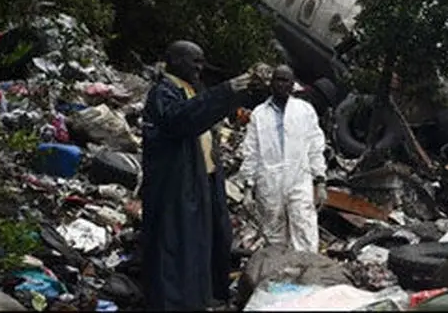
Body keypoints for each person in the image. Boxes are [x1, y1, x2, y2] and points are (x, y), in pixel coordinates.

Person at [140, 41, 262, 311]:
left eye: (201, 61)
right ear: (173, 60)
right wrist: (227, 91)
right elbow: (182, 120)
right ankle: (177, 302)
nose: (199, 67)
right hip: (177, 184)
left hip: (203, 180)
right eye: (193, 61)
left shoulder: (190, 90)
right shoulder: (163, 93)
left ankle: (204, 297)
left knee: (207, 240)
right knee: (178, 245)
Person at [237, 65, 328, 253]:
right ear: (271, 83)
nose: (281, 84)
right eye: (277, 79)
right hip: (269, 181)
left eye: (285, 80)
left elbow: (315, 147)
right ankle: (280, 277)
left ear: (292, 84)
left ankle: (306, 277)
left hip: (298, 178)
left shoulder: (304, 111)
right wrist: (247, 187)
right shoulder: (259, 114)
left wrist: (320, 182)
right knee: (273, 235)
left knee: (304, 230)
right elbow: (251, 151)